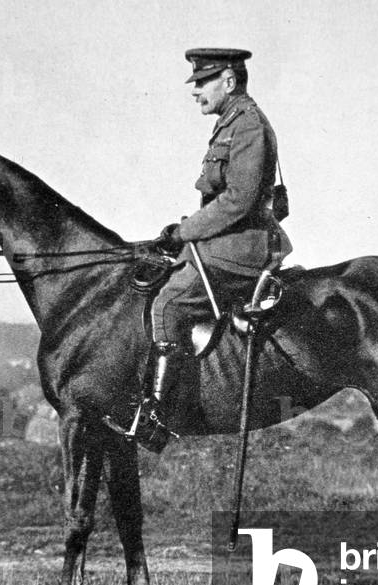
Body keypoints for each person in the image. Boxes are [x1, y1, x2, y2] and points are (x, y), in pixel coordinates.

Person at [123, 48, 292, 452]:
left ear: (229, 81)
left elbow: (239, 200)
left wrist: (185, 231)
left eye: (202, 81)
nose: (195, 91)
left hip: (242, 248)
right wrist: (182, 232)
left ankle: (158, 418)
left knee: (167, 305)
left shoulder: (247, 125)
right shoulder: (229, 123)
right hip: (222, 241)